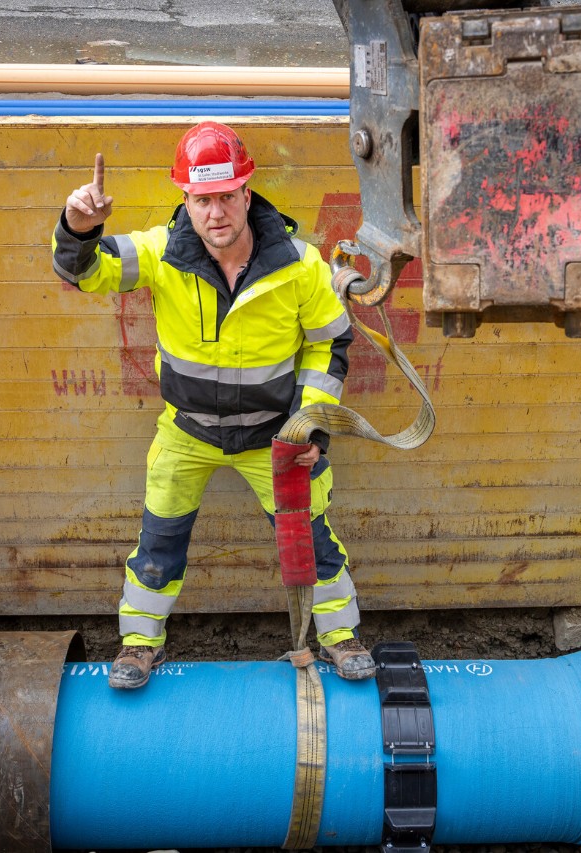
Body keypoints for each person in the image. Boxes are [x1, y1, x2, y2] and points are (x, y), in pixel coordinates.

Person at [51, 121, 373, 689]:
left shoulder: (301, 265)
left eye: (227, 197)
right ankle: (138, 645)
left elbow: (329, 342)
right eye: (203, 200)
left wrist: (308, 428)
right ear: (187, 200)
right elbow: (86, 272)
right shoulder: (159, 252)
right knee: (159, 542)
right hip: (187, 434)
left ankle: (340, 638)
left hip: (275, 438)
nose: (216, 212)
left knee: (313, 543)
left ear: (247, 193)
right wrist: (78, 228)